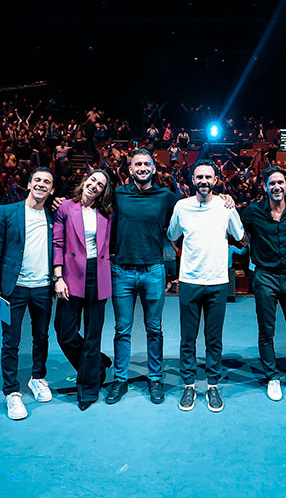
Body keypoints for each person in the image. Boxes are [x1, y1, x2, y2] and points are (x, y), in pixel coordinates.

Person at [167, 160, 245, 412]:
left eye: (208, 177)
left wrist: (231, 204)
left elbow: (240, 234)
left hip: (218, 283)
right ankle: (188, 386)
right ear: (192, 179)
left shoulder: (225, 207)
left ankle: (212, 385)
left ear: (215, 180)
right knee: (187, 339)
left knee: (214, 339)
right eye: (199, 177)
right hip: (189, 282)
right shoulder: (181, 206)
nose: (203, 181)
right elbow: (172, 235)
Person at [0, 167, 57, 421]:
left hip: (43, 288)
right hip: (13, 288)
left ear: (52, 189)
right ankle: (12, 392)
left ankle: (37, 378)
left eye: (47, 182)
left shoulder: (53, 214)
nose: (41, 184)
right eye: (37, 180)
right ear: (28, 184)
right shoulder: (7, 212)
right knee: (10, 341)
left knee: (42, 336)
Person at [104, 149, 178, 406]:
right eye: (138, 164)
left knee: (154, 329)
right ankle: (120, 379)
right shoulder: (118, 194)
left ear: (154, 169)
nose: (143, 167)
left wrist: (223, 196)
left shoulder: (166, 196)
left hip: (154, 270)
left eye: (147, 164)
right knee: (122, 329)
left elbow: (193, 207)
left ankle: (155, 378)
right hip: (122, 270)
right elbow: (87, 200)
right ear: (130, 168)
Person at [241, 166, 286, 401]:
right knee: (266, 331)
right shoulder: (253, 212)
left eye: (280, 182)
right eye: (272, 183)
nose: (277, 187)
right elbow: (238, 229)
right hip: (265, 277)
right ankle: (272, 377)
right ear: (264, 187)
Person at [53, 170, 115, 411]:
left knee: (93, 334)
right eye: (93, 180)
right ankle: (97, 363)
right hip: (70, 274)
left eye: (100, 184)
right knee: (64, 332)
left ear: (103, 191)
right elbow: (58, 244)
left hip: (98, 274)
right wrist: (58, 277)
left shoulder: (107, 213)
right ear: (84, 181)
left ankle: (88, 388)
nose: (95, 186)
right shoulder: (65, 207)